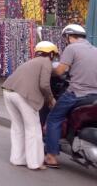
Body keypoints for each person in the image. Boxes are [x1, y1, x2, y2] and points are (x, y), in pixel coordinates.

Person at [44, 24, 97, 168]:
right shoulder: (94, 50)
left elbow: (61, 71)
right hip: (94, 95)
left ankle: (51, 157)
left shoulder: (71, 48)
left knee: (54, 118)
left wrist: (50, 70)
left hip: (77, 93)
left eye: (66, 38)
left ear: (68, 36)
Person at [2, 41, 57, 170]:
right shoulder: (46, 62)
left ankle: (17, 159)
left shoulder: (31, 62)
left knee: (18, 127)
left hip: (8, 91)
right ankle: (35, 163)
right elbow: (44, 84)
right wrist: (51, 99)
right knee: (33, 129)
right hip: (23, 95)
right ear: (51, 54)